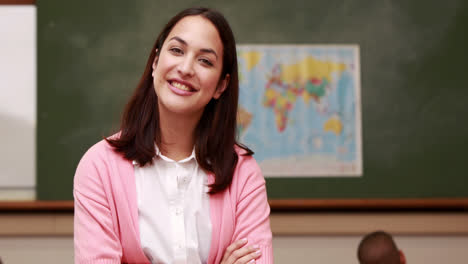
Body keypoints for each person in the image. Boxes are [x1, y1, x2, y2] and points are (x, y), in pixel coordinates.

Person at [73, 7, 273, 264]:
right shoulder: (99, 166)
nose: (186, 68)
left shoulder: (243, 172)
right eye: (177, 51)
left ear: (221, 86)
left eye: (205, 61)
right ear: (156, 62)